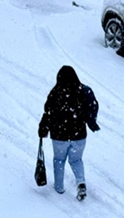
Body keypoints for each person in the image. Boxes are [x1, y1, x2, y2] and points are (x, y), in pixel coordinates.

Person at [38, 65, 99, 200]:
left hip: (60, 136)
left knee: (59, 160)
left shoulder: (55, 93)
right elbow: (93, 106)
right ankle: (81, 183)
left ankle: (59, 188)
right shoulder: (83, 91)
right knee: (76, 160)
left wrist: (43, 127)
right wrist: (90, 121)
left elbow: (48, 112)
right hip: (79, 135)